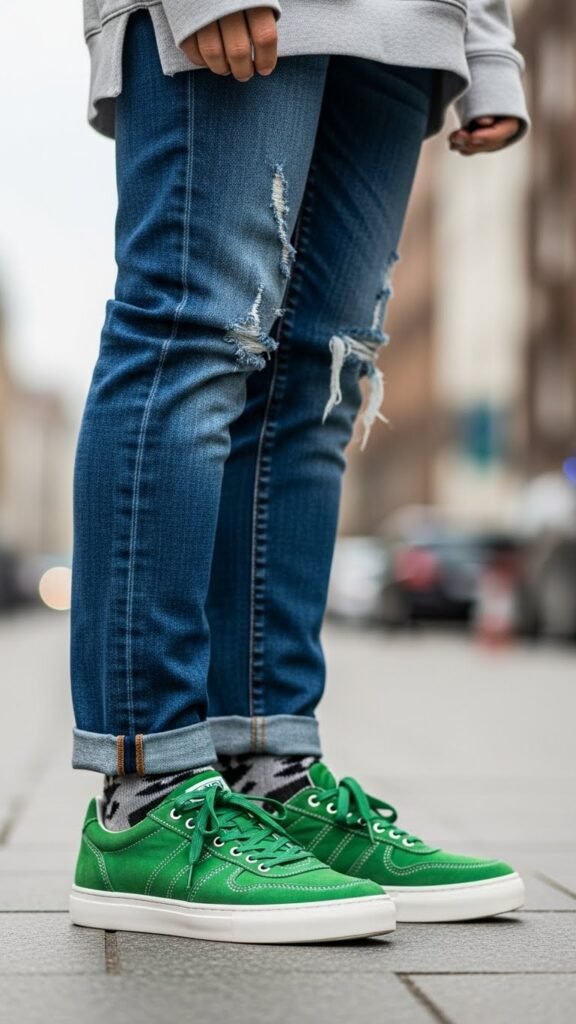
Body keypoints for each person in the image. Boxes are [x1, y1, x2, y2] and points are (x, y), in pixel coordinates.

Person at [69, 1, 529, 943]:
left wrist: (483, 42)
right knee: (193, 332)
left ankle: (264, 771)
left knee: (324, 374)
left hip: (408, 25)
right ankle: (143, 794)